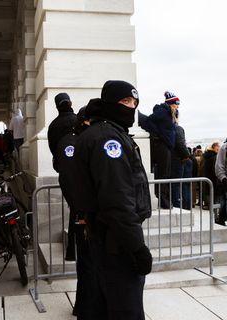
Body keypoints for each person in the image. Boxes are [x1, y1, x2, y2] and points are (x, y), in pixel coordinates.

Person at [74, 80, 152, 319]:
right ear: (109, 104)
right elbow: (117, 200)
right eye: (125, 101)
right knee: (126, 310)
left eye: (135, 103)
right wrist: (137, 248)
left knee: (104, 307)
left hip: (107, 236)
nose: (131, 107)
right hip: (117, 241)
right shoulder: (110, 140)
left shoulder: (104, 133)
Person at [54, 106, 91, 318]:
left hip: (86, 212)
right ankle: (83, 306)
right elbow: (68, 177)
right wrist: (79, 207)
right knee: (86, 266)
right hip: (83, 213)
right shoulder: (71, 142)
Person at [139, 91, 179, 209]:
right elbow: (148, 121)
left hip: (166, 145)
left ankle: (164, 200)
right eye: (176, 104)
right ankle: (163, 200)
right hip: (162, 145)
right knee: (163, 175)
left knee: (165, 174)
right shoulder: (162, 112)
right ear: (171, 104)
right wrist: (158, 133)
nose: (177, 106)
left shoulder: (169, 113)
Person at [47, 93, 77, 171]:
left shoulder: (53, 126)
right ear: (70, 103)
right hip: (80, 168)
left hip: (63, 167)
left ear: (57, 107)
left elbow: (53, 148)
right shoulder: (79, 120)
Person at [170, 121, 191, 209]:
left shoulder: (165, 128)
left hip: (170, 159)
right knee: (177, 186)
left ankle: (176, 205)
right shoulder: (177, 128)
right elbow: (181, 144)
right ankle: (179, 206)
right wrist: (187, 155)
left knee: (174, 186)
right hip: (178, 160)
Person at [203, 142, 220, 209]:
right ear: (213, 148)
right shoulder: (214, 157)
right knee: (215, 194)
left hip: (208, 177)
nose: (219, 149)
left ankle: (210, 206)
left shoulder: (207, 155)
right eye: (217, 147)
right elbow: (215, 169)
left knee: (210, 193)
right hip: (213, 179)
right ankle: (214, 207)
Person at [215, 141, 227, 225]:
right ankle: (221, 219)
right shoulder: (224, 147)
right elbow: (219, 165)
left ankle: (221, 219)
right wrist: (223, 178)